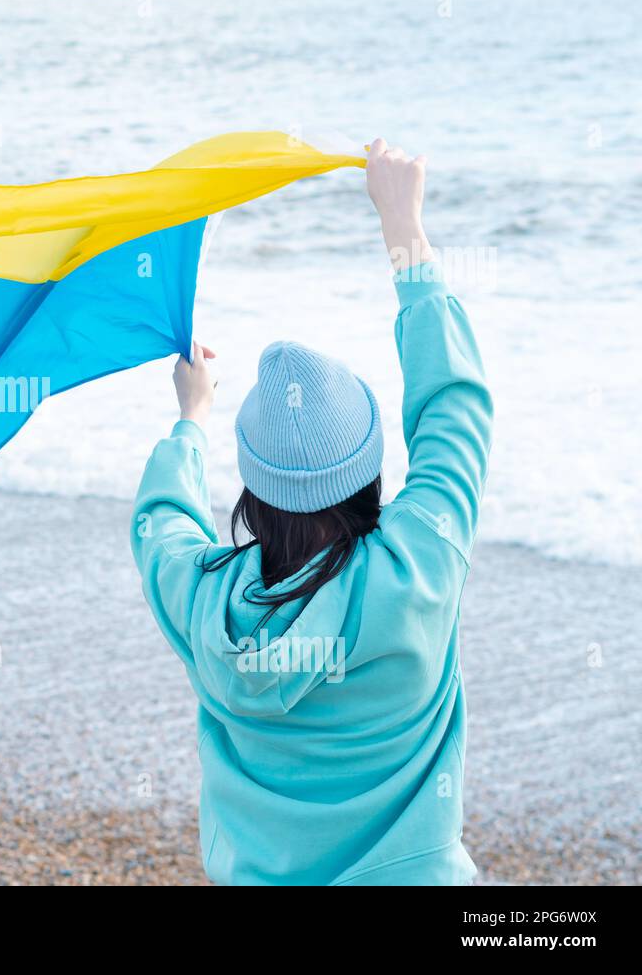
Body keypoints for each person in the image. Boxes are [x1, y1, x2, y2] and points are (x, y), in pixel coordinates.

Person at [130, 139, 493, 885]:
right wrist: (405, 229)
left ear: (254, 496)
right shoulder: (418, 562)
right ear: (369, 471)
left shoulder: (209, 604)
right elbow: (454, 408)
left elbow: (161, 526)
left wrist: (192, 418)